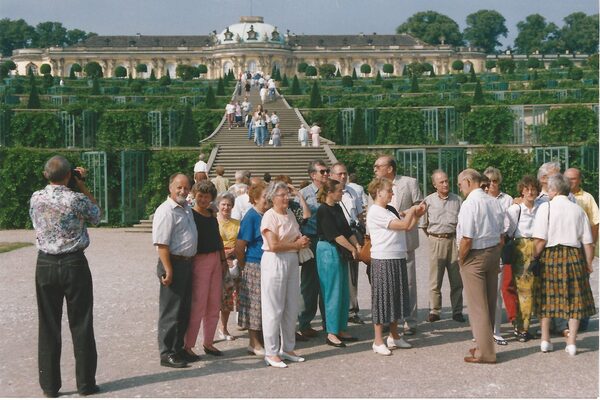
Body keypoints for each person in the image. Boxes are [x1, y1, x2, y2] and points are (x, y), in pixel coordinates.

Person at [30, 156, 101, 397]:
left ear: (44, 174)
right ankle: (85, 384)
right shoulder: (76, 198)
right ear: (70, 175)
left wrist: (70, 179)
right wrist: (80, 184)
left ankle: (49, 386)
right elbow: (96, 214)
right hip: (73, 263)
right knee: (81, 324)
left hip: (45, 264)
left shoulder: (36, 197)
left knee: (48, 325)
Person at [532, 174, 596, 356]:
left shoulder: (546, 208)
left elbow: (539, 240)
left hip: (551, 256)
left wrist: (534, 257)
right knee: (574, 298)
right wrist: (589, 263)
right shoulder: (578, 210)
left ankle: (545, 339)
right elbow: (588, 243)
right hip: (574, 255)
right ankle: (572, 342)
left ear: (554, 190)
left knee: (547, 297)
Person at [367, 177, 426, 355]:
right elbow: (404, 224)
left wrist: (417, 214)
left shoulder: (389, 209)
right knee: (382, 300)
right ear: (379, 192)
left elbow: (408, 225)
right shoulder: (375, 211)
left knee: (396, 298)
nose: (392, 194)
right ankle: (378, 341)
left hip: (397, 256)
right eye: (389, 191)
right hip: (383, 259)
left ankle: (395, 336)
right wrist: (413, 211)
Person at [456, 169, 504, 364]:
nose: (460, 189)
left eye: (460, 185)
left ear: (467, 181)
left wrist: (460, 258)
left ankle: (485, 353)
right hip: (493, 252)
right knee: (489, 302)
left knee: (477, 307)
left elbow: (467, 238)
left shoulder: (470, 204)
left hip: (474, 255)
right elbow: (502, 234)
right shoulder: (494, 201)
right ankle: (485, 345)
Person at [261, 181, 310, 367]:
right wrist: (296, 245)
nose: (286, 198)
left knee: (291, 306)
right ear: (273, 197)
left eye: (287, 194)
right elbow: (273, 245)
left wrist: (301, 240)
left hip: (290, 260)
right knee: (274, 308)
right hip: (274, 261)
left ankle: (288, 347)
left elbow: (294, 235)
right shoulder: (269, 216)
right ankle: (271, 352)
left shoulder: (289, 214)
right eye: (282, 195)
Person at [373, 155, 423, 335]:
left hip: (405, 238)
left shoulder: (409, 183)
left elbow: (420, 204)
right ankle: (388, 319)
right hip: (385, 242)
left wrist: (409, 212)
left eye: (378, 166)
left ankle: (410, 321)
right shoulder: (377, 186)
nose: (375, 169)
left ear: (390, 168)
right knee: (388, 285)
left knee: (408, 282)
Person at [152, 173, 198, 369]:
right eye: (179, 187)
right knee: (171, 310)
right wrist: (168, 269)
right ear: (170, 187)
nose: (183, 191)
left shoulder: (186, 208)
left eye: (186, 187)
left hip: (187, 264)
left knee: (183, 309)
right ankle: (167, 352)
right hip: (173, 263)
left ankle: (178, 348)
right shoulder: (166, 211)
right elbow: (161, 244)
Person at [184, 181, 227, 358]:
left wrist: (223, 260)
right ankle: (188, 345)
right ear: (195, 195)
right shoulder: (190, 215)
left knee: (214, 302)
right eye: (200, 195)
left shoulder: (211, 215)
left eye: (206, 196)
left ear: (211, 198)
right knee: (198, 304)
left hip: (215, 259)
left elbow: (218, 239)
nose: (202, 199)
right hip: (199, 260)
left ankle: (208, 342)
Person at [316, 179, 361, 347]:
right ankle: (331, 332)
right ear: (330, 192)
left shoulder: (337, 207)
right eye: (339, 191)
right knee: (332, 292)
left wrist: (356, 243)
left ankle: (340, 328)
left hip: (340, 250)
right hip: (328, 250)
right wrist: (352, 248)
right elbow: (335, 235)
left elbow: (346, 230)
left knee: (343, 291)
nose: (342, 193)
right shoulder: (323, 210)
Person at [420, 169, 465, 323]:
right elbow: (424, 225)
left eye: (446, 181)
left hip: (453, 240)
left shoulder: (458, 200)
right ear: (434, 185)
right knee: (435, 279)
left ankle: (457, 311)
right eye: (441, 182)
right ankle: (435, 310)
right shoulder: (428, 201)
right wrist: (435, 238)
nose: (445, 184)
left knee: (456, 279)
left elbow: (463, 223)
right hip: (436, 240)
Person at [505, 175, 542, 342]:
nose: (530, 192)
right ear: (521, 191)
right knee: (523, 289)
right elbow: (508, 230)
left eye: (533, 189)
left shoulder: (541, 207)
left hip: (538, 246)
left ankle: (527, 325)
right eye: (527, 189)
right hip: (521, 248)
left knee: (536, 288)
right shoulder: (515, 209)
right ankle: (522, 328)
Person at [296, 160, 329, 340]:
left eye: (327, 171)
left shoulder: (330, 190)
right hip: (312, 241)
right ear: (312, 175)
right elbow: (296, 217)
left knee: (328, 282)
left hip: (329, 240)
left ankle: (329, 322)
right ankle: (305, 322)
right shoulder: (303, 194)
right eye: (322, 172)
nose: (325, 174)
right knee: (309, 285)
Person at [483, 166, 516, 346]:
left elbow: (508, 227)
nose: (492, 185)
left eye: (495, 181)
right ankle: (482, 330)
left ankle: (496, 330)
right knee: (480, 293)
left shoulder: (507, 200)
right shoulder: (479, 200)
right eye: (489, 182)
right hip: (481, 249)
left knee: (496, 292)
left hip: (499, 248)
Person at [236, 182, 268, 356]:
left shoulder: (267, 214)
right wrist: (243, 266)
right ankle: (254, 342)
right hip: (254, 264)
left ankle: (262, 339)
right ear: (255, 198)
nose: (267, 200)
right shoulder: (251, 216)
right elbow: (240, 245)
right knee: (254, 305)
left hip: (267, 265)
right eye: (265, 197)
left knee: (264, 304)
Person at [330, 163, 365, 325]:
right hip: (336, 235)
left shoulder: (353, 192)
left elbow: (359, 215)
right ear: (332, 175)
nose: (343, 177)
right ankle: (339, 310)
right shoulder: (329, 193)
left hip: (351, 233)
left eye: (344, 173)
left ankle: (352, 309)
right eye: (339, 174)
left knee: (352, 274)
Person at [216, 192, 240, 342]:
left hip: (233, 261)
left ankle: (223, 327)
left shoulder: (237, 223)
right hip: (216, 261)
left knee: (228, 298)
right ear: (218, 205)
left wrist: (232, 252)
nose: (226, 207)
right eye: (223, 204)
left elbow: (242, 242)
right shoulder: (213, 221)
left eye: (229, 204)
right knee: (213, 297)